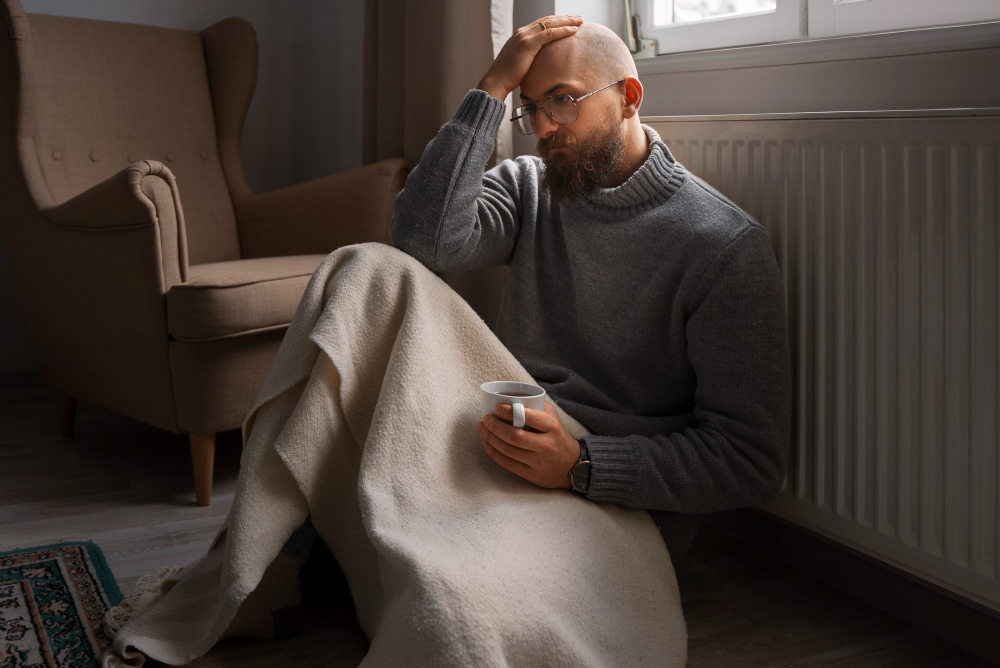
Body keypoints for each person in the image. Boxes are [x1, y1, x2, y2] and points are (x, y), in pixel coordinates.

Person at [388, 16, 793, 558]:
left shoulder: (723, 245)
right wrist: (490, 90)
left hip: (610, 498)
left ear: (629, 97)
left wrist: (581, 464)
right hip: (499, 444)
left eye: (562, 100)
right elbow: (420, 240)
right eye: (531, 108)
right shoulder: (528, 186)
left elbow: (750, 461)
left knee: (444, 579)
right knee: (361, 274)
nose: (546, 127)